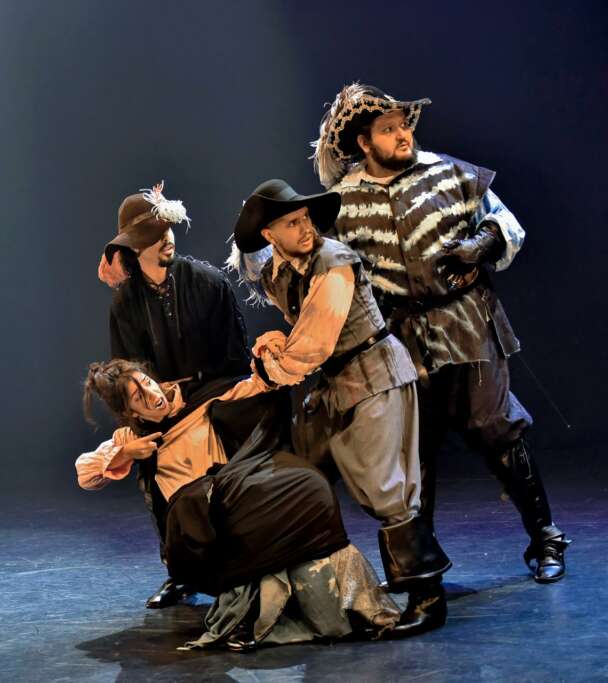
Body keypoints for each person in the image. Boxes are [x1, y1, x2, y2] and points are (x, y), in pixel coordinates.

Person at [309, 83, 569, 582]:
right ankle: (420, 566)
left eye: (404, 125)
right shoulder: (341, 201)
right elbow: (327, 264)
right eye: (388, 129)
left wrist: (481, 245)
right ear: (364, 142)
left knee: (494, 427)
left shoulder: (450, 173)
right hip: (401, 337)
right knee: (413, 448)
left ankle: (546, 537)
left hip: (466, 323)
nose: (403, 135)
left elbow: (507, 224)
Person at [229, 178, 451, 637]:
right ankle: (317, 590)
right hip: (336, 385)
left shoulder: (333, 261)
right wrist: (277, 349)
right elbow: (300, 330)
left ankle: (428, 596)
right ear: (270, 234)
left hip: (374, 377)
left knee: (386, 488)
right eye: (292, 222)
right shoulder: (278, 273)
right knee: (302, 474)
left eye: (305, 218)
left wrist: (268, 369)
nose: (305, 228)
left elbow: (313, 343)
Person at [77, 358, 399, 650]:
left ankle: (337, 605)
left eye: (147, 383)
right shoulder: (131, 437)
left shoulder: (201, 400)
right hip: (199, 528)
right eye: (138, 397)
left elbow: (257, 384)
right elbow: (85, 474)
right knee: (196, 500)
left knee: (306, 484)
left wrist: (277, 362)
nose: (151, 394)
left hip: (236, 495)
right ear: (132, 413)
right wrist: (125, 453)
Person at [96, 182, 279, 609]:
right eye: (154, 235)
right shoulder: (125, 304)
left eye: (167, 230)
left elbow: (234, 357)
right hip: (159, 407)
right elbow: (127, 371)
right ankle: (180, 571)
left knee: (225, 469)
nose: (166, 239)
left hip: (214, 394)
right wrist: (151, 409)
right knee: (153, 466)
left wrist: (204, 396)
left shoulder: (209, 283)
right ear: (134, 248)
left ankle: (243, 564)